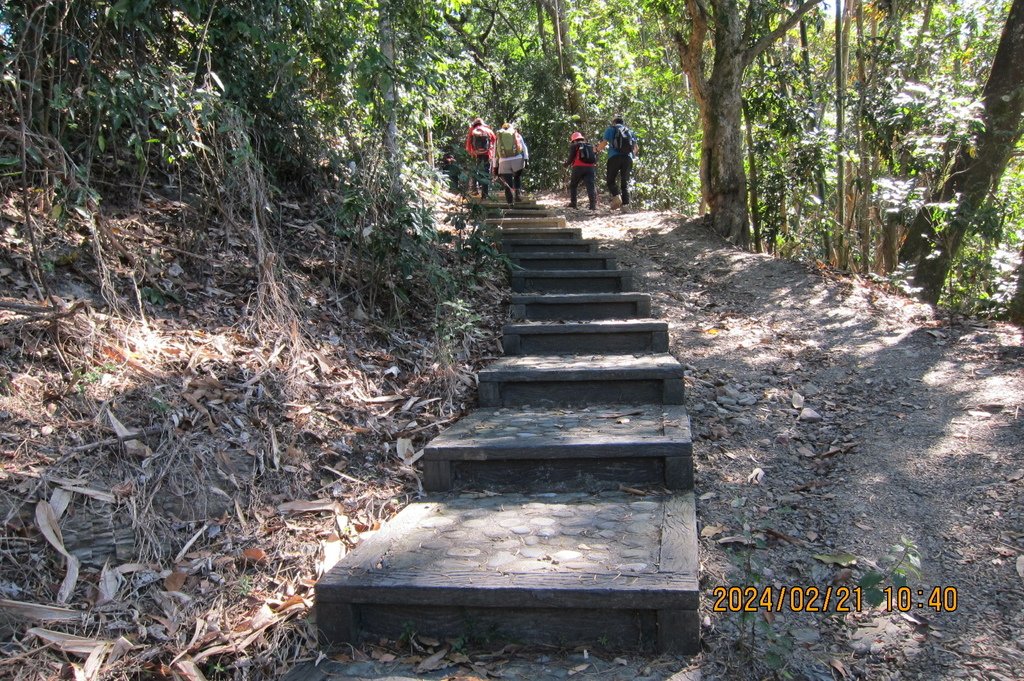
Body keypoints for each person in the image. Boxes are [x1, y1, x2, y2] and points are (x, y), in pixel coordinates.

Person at [595, 115, 638, 209]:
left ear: (614, 122)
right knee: (624, 182)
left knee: (610, 180)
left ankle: (617, 195)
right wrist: (632, 157)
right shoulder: (630, 131)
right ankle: (626, 205)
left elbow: (604, 143)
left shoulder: (611, 129)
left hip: (614, 157)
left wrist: (596, 150)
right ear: (622, 123)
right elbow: (636, 148)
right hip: (628, 158)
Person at [494, 122, 527, 205]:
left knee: (508, 183)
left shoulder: (499, 136)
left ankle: (510, 203)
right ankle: (517, 194)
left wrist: (495, 167)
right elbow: (524, 148)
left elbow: (495, 153)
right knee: (517, 177)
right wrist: (526, 160)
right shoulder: (516, 134)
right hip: (517, 159)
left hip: (503, 161)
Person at [563, 131, 597, 210]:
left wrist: (566, 164)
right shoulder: (589, 145)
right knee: (590, 186)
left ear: (574, 140)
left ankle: (573, 203)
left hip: (578, 167)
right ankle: (592, 206)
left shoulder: (574, 146)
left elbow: (571, 158)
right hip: (590, 168)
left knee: (573, 185)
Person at [464, 117, 496, 198]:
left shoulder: (472, 130)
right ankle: (485, 194)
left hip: (476, 154)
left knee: (475, 171)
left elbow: (468, 143)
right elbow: (494, 140)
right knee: (486, 172)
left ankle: (474, 189)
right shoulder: (488, 130)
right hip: (487, 154)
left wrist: (471, 152)